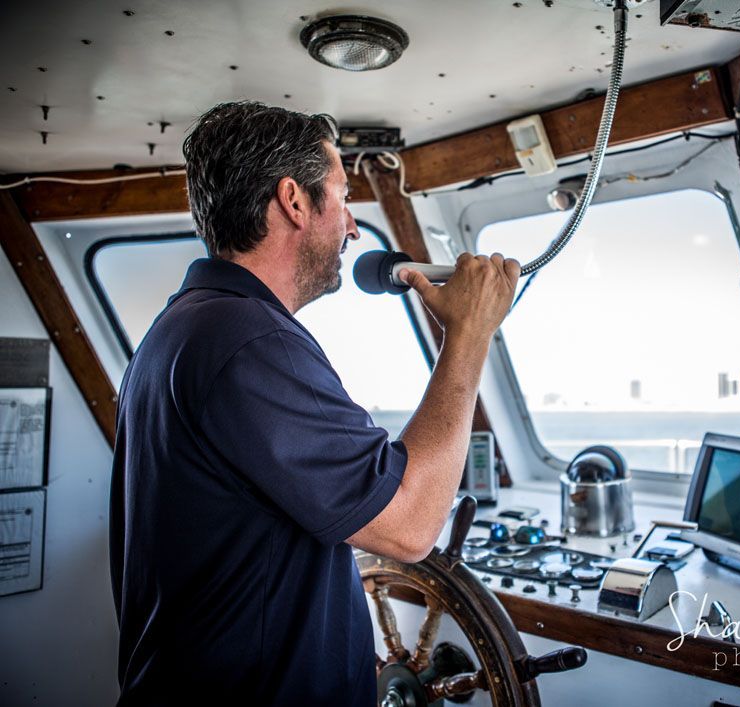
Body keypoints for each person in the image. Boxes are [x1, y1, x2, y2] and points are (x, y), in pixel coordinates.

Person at [109, 101, 519, 705]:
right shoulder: (250, 343)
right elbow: (409, 530)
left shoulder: (180, 329)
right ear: (294, 201)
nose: (353, 226)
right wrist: (469, 336)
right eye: (343, 195)